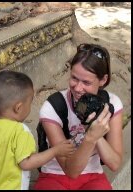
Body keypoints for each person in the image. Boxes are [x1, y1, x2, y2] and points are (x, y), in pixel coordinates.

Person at [34, 43, 123, 190]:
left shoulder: (111, 104)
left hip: (92, 176)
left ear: (103, 80)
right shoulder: (53, 106)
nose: (78, 88)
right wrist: (90, 138)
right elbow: (71, 172)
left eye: (86, 82)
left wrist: (96, 132)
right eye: (74, 78)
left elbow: (114, 163)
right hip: (55, 174)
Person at [0, 70, 75, 190]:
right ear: (18, 107)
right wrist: (55, 151)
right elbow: (26, 163)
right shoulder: (20, 131)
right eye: (30, 101)